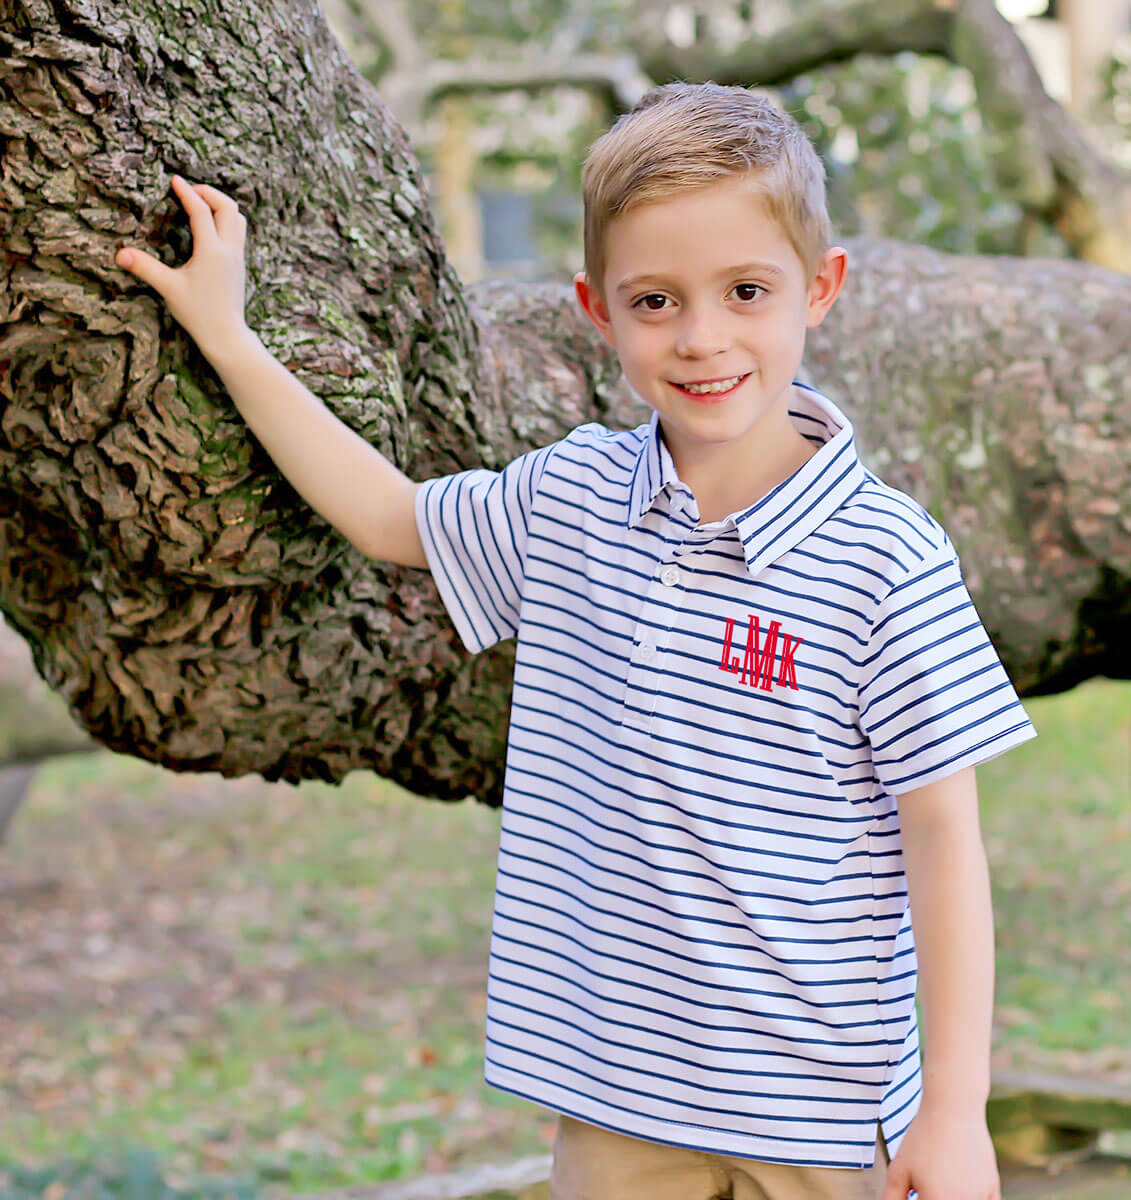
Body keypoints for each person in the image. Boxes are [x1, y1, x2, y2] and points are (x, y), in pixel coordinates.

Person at [116, 81, 1034, 1200]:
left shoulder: (887, 558)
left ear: (820, 289)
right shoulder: (571, 501)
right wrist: (225, 330)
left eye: (747, 290)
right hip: (618, 1097)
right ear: (598, 310)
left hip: (828, 1119)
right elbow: (388, 517)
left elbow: (944, 839)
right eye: (656, 302)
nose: (702, 338)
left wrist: (955, 1111)